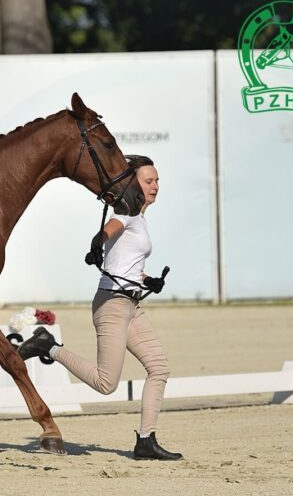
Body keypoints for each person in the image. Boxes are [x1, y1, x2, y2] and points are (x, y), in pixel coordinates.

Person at [18, 155, 182, 460]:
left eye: (157, 180)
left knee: (159, 368)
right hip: (112, 306)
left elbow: (126, 265)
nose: (156, 186)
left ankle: (146, 440)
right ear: (134, 183)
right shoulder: (126, 213)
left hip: (131, 305)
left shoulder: (141, 219)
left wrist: (148, 280)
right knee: (106, 384)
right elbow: (109, 230)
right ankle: (48, 345)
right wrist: (97, 242)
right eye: (149, 181)